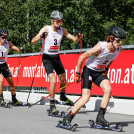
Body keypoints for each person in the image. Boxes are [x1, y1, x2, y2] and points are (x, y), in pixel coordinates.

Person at [60, 26, 126, 126]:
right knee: (86, 97)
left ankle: (100, 117)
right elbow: (82, 56)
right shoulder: (100, 47)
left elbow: (111, 58)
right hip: (89, 71)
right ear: (111, 39)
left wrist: (107, 69)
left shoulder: (118, 49)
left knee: (108, 90)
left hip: (99, 72)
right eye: (118, 40)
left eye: (122, 40)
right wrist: (77, 73)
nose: (120, 43)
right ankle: (68, 118)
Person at [31, 10, 83, 114]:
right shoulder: (46, 28)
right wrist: (41, 36)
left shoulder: (62, 30)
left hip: (56, 57)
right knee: (53, 81)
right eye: (57, 22)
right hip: (47, 58)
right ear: (52, 21)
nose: (59, 24)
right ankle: (52, 105)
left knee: (63, 79)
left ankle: (63, 96)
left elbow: (74, 40)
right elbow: (33, 41)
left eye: (60, 22)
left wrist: (79, 37)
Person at [0, 28, 23, 106]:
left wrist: (19, 50)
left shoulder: (7, 43)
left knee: (11, 81)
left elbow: (13, 47)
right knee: (1, 81)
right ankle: (1, 99)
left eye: (6, 37)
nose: (4, 39)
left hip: (3, 64)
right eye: (3, 37)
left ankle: (14, 99)